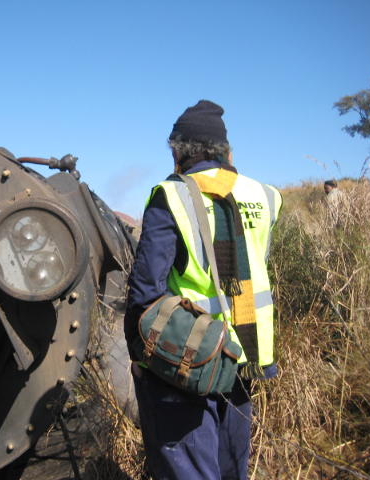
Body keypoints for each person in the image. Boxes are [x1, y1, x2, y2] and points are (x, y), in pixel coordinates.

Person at [124, 100, 282, 480]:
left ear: (179, 152)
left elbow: (145, 292)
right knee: (232, 468)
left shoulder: (171, 195)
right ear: (226, 151)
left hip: (189, 362)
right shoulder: (266, 196)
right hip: (246, 359)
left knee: (189, 469)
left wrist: (142, 360)